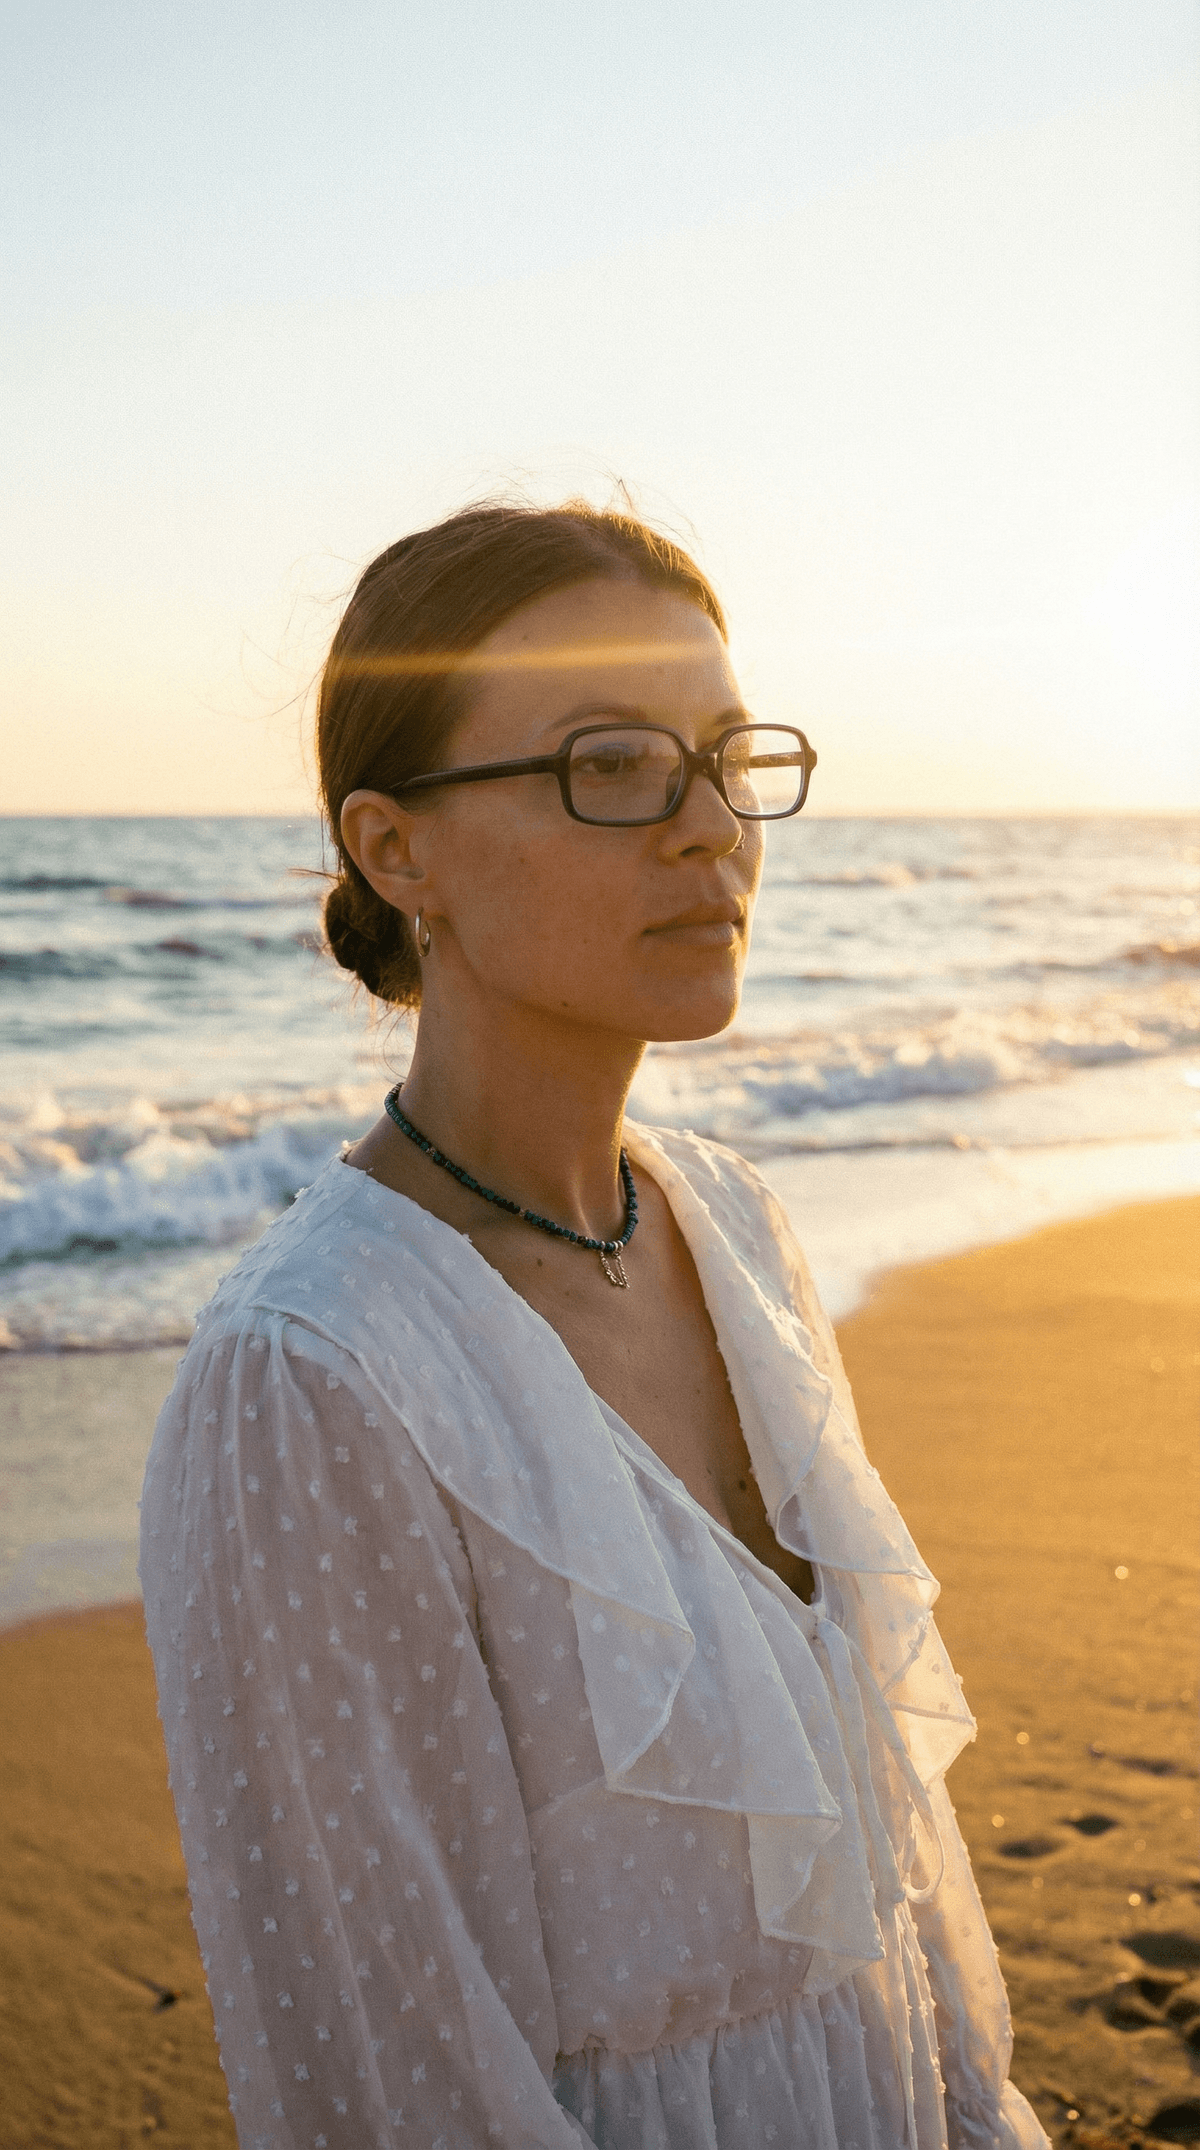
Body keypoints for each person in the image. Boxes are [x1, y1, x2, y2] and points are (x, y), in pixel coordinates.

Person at [140, 502, 1047, 2150]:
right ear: (395, 846)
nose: (712, 829)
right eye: (613, 765)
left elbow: (900, 1902)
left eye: (725, 757)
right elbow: (397, 2093)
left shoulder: (735, 1228)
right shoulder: (312, 1384)